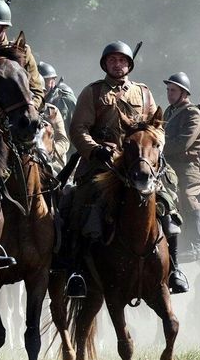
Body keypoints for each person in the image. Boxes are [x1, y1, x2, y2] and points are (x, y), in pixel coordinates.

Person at [66, 42, 187, 295]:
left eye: (122, 60)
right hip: (103, 165)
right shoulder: (93, 92)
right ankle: (76, 273)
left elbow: (158, 128)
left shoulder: (143, 92)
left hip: (139, 165)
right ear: (105, 64)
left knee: (167, 207)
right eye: (112, 60)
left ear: (129, 64)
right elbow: (78, 129)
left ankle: (175, 270)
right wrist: (95, 148)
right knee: (78, 207)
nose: (117, 64)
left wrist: (152, 150)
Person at [163, 72, 200, 262]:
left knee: (188, 197)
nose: (169, 94)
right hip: (169, 164)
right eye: (168, 90)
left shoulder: (192, 113)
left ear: (184, 92)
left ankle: (196, 246)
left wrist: (158, 147)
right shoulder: (168, 111)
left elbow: (182, 143)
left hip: (190, 166)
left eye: (173, 90)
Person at [0, 0, 45, 110]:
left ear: (4, 27)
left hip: (17, 118)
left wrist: (28, 110)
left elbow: (37, 92)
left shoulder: (21, 52)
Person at [40, 61, 77, 129]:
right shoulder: (31, 100)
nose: (40, 83)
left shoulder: (66, 99)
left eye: (44, 80)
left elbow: (78, 123)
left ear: (53, 80)